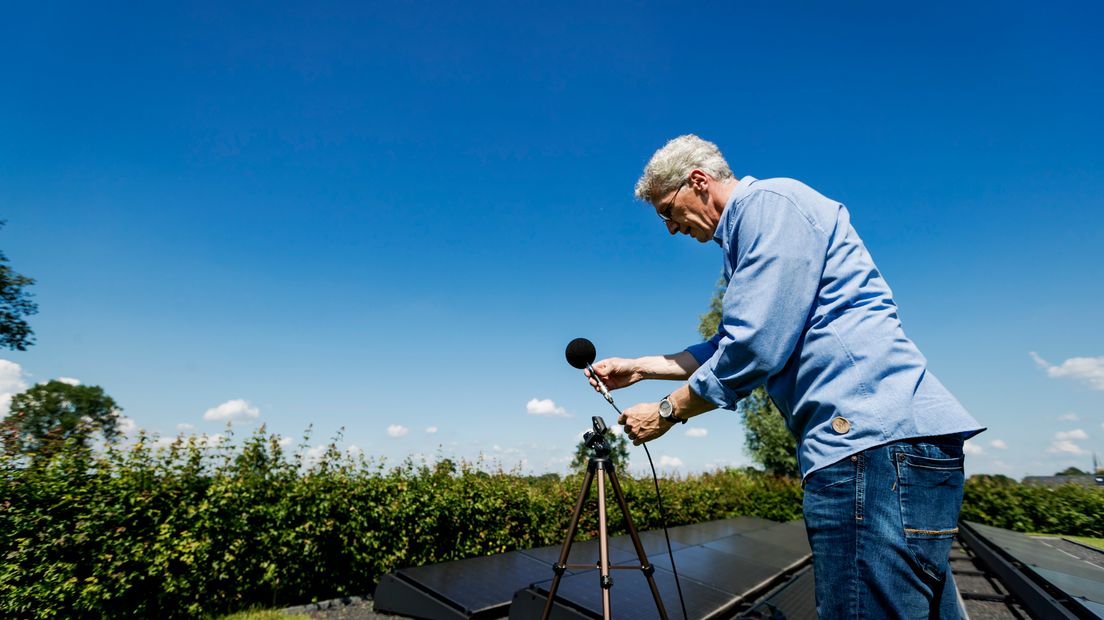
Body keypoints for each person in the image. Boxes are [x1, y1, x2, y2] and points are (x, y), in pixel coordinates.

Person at [586, 135, 984, 618]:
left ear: (697, 182)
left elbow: (754, 345)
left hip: (867, 448)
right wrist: (639, 368)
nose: (669, 229)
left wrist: (670, 411)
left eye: (667, 212)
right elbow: (727, 345)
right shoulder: (758, 226)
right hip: (890, 447)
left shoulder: (768, 207)